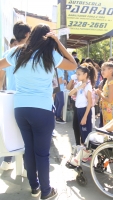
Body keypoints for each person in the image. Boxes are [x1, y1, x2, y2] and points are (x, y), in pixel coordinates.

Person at [0, 24, 77, 199]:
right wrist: (57, 41)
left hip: (20, 108)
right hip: (42, 110)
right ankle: (46, 191)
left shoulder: (17, 51)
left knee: (29, 149)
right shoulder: (50, 54)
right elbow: (73, 64)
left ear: (32, 35)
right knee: (42, 153)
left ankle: (35, 187)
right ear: (47, 38)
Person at [67, 84, 113, 166]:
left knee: (90, 137)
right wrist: (103, 129)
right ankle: (83, 156)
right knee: (95, 134)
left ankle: (77, 160)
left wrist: (103, 130)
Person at [0, 22, 31, 171]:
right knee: (24, 132)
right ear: (27, 35)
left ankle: (7, 161)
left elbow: (0, 76)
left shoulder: (8, 54)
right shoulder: (29, 52)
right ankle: (25, 168)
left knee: (11, 130)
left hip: (9, 97)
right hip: (24, 97)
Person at [68, 63, 97, 143]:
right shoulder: (79, 84)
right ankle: (81, 150)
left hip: (84, 111)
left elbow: (89, 103)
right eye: (76, 74)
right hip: (78, 110)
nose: (77, 76)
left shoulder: (88, 86)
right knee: (78, 129)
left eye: (79, 74)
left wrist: (85, 117)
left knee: (85, 135)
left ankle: (86, 153)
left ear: (85, 74)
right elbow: (70, 93)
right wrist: (78, 87)